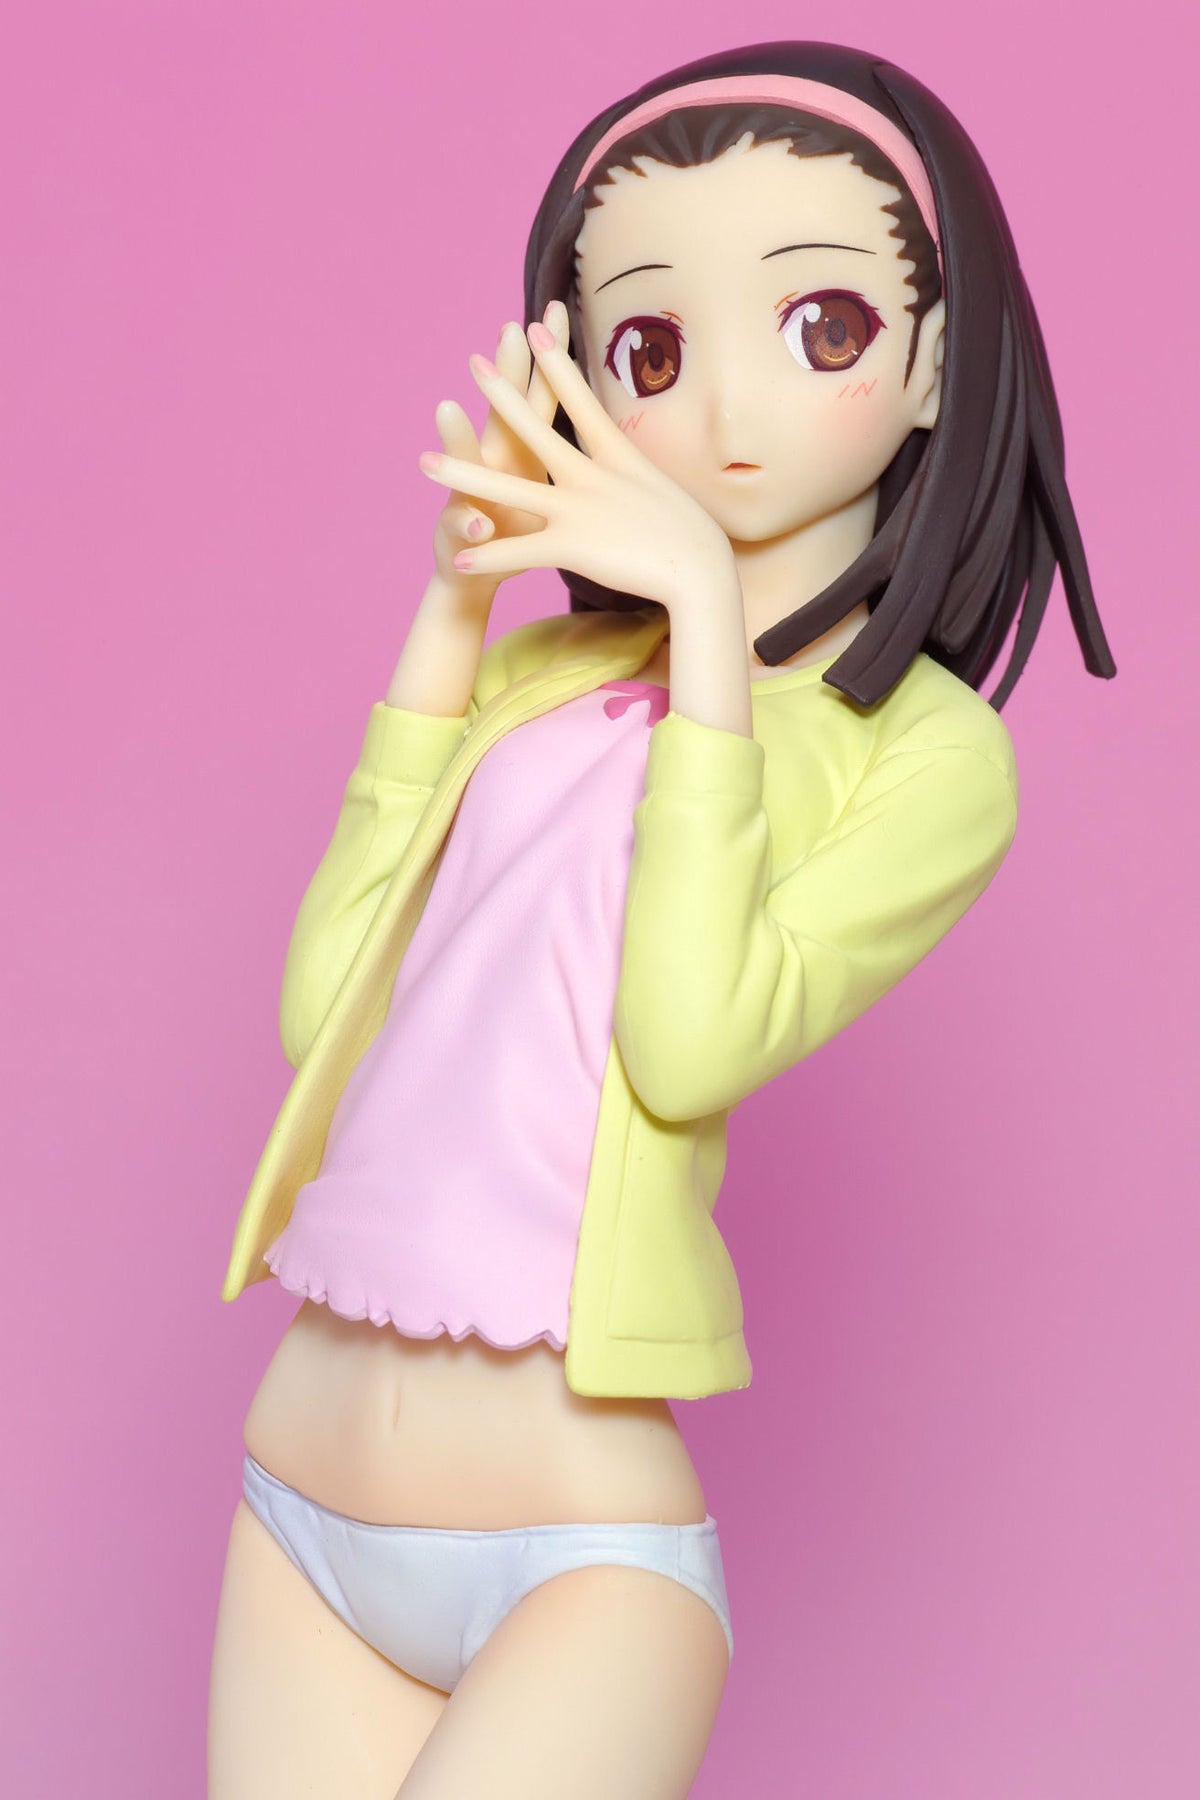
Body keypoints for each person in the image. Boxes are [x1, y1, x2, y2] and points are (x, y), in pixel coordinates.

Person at [207, 40, 1115, 1800]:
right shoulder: (538, 673)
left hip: (575, 1554)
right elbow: (327, 1018)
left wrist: (710, 622)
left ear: (937, 364)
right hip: (298, 1506)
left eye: (820, 325)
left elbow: (688, 1043)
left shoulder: (925, 753)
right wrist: (450, 617)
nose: (722, 410)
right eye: (651, 350)